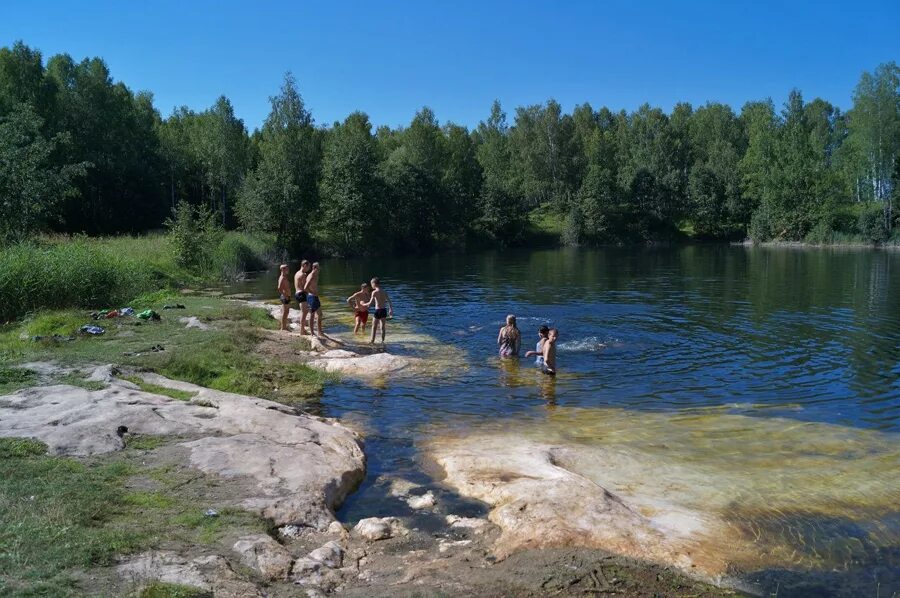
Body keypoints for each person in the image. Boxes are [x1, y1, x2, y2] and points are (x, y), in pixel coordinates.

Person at [363, 277, 393, 344]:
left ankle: (372, 341)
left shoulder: (374, 292)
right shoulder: (384, 291)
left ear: (374, 284)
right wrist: (390, 309)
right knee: (382, 327)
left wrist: (363, 304)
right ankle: (382, 341)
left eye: (371, 284)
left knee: (374, 327)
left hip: (378, 311)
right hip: (384, 310)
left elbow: (370, 304)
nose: (371, 285)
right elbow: (389, 301)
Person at [304, 262, 323, 337]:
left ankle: (319, 331)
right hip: (312, 297)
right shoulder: (312, 275)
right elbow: (305, 287)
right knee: (312, 315)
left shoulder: (315, 275)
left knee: (320, 314)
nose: (319, 269)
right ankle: (312, 333)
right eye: (318, 268)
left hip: (314, 297)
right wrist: (313, 293)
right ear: (314, 268)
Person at [293, 260, 311, 335]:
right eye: (308, 267)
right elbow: (305, 287)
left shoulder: (297, 273)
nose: (309, 268)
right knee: (304, 313)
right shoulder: (303, 275)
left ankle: (302, 329)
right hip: (302, 294)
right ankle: (302, 331)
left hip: (297, 293)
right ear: (304, 265)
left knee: (303, 312)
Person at [276, 264, 291, 331]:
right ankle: (283, 328)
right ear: (282, 270)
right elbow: (279, 288)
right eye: (286, 269)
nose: (288, 270)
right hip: (285, 297)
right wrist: (285, 295)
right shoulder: (282, 277)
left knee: (285, 312)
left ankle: (284, 327)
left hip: (286, 296)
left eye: (288, 268)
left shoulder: (283, 277)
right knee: (285, 312)